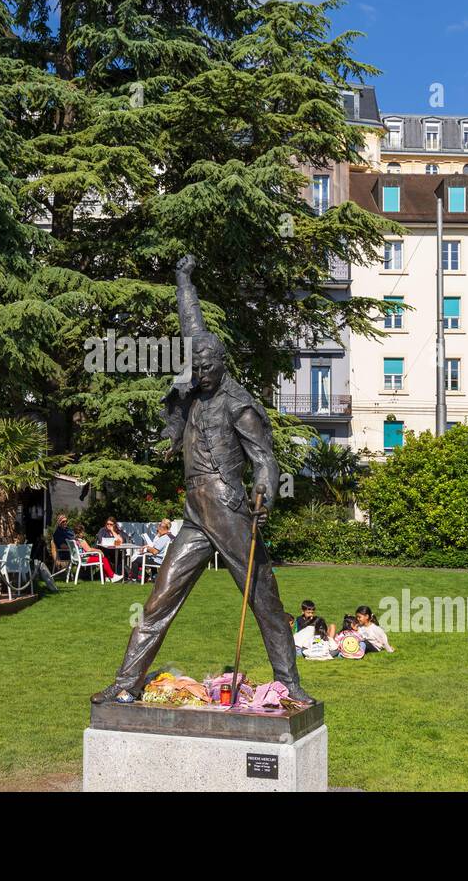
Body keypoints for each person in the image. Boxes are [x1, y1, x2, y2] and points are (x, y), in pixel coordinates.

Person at [92, 254, 312, 705]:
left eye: (206, 367)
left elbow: (265, 459)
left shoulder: (239, 403)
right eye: (196, 366)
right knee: (158, 600)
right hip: (195, 512)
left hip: (229, 508)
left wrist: (264, 494)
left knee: (263, 598)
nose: (197, 374)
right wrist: (182, 277)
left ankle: (289, 684)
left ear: (221, 364)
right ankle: (126, 684)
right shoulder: (197, 376)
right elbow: (190, 322)